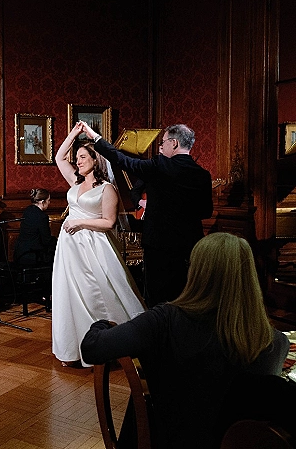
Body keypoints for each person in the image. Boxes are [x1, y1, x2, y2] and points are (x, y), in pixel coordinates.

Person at [81, 232, 291, 449]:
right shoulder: (274, 343)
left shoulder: (164, 321)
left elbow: (92, 348)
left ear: (196, 272)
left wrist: (102, 323)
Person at [80, 121, 213, 306]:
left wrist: (96, 138)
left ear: (174, 143)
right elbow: (206, 211)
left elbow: (122, 160)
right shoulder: (203, 175)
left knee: (157, 299)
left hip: (159, 244)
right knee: (185, 296)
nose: (162, 146)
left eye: (164, 141)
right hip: (190, 245)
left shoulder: (160, 165)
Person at [51, 122, 145, 368]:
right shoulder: (74, 182)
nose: (78, 161)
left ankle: (108, 346)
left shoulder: (107, 189)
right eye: (78, 157)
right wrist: (74, 133)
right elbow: (59, 157)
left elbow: (109, 222)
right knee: (70, 293)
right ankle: (72, 347)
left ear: (96, 159)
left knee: (96, 292)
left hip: (94, 246)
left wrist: (80, 222)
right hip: (70, 248)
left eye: (83, 157)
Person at [13, 188, 55, 266]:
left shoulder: (27, 211)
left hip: (20, 253)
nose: (49, 203)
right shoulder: (42, 217)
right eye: (48, 200)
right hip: (32, 256)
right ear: (42, 202)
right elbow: (46, 240)